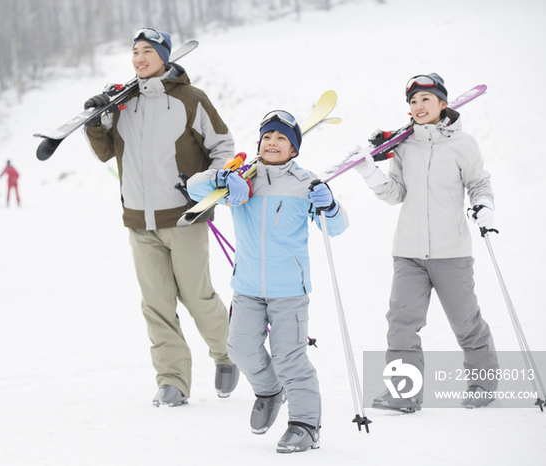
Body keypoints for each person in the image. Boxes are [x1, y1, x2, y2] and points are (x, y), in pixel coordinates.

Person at [82, 28, 239, 407]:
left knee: (197, 296)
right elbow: (105, 153)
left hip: (184, 217)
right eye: (134, 51)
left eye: (147, 51)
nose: (139, 57)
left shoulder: (191, 99)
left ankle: (227, 354)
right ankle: (172, 381)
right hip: (139, 219)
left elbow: (223, 148)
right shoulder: (123, 102)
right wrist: (96, 122)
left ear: (164, 56)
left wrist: (206, 185)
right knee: (155, 304)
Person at [188, 110, 349, 453]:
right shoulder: (243, 178)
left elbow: (336, 227)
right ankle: (270, 390)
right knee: (239, 348)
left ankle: (306, 424)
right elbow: (193, 187)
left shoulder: (307, 182)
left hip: (289, 289)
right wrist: (221, 178)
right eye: (267, 138)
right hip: (246, 286)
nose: (273, 143)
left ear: (294, 150)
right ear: (258, 144)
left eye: (282, 139)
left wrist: (330, 205)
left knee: (290, 357)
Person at [354, 73, 499, 412]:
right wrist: (369, 173)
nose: (418, 107)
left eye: (425, 100)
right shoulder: (404, 145)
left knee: (466, 323)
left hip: (451, 252)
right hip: (408, 252)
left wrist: (485, 205)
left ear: (443, 104)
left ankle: (482, 384)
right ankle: (403, 393)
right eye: (413, 101)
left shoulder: (463, 144)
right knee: (401, 322)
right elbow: (396, 194)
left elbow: (479, 182)